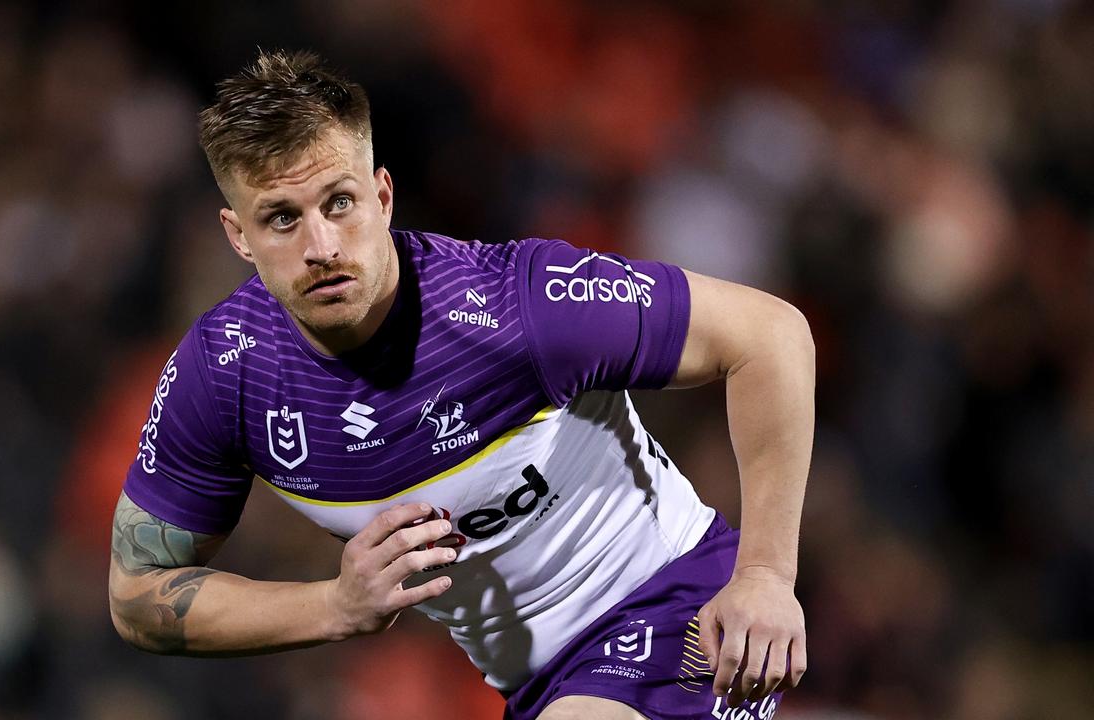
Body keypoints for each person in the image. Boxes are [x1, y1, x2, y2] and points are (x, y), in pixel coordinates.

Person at [108, 49, 813, 720]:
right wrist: (335, 607)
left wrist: (767, 578)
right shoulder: (224, 375)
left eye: (340, 203)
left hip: (681, 609)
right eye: (282, 219)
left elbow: (771, 335)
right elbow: (136, 593)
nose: (321, 248)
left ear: (383, 196)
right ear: (238, 234)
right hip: (537, 684)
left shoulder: (520, 304)